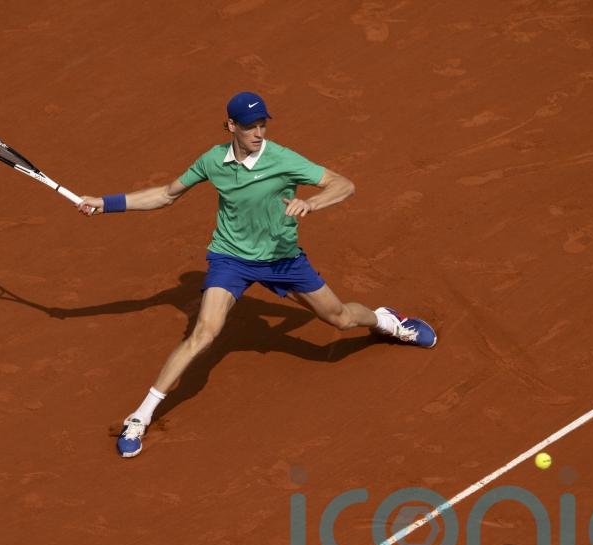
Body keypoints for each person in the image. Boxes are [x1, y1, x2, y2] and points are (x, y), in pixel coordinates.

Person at [78, 91, 437, 458]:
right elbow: (166, 195)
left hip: (283, 260)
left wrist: (310, 202)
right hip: (230, 259)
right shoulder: (212, 161)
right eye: (250, 126)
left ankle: (386, 321)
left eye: (263, 124)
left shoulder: (282, 159)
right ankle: (140, 417)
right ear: (231, 126)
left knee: (340, 318)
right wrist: (106, 204)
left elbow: (343, 184)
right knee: (204, 333)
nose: (259, 133)